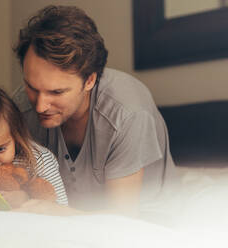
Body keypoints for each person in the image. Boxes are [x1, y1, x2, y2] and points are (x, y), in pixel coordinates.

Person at [12, 5, 177, 214]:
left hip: (144, 225)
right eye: (32, 88)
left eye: (57, 92)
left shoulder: (127, 114)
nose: (40, 105)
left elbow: (121, 222)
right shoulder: (20, 108)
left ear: (89, 80)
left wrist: (54, 212)